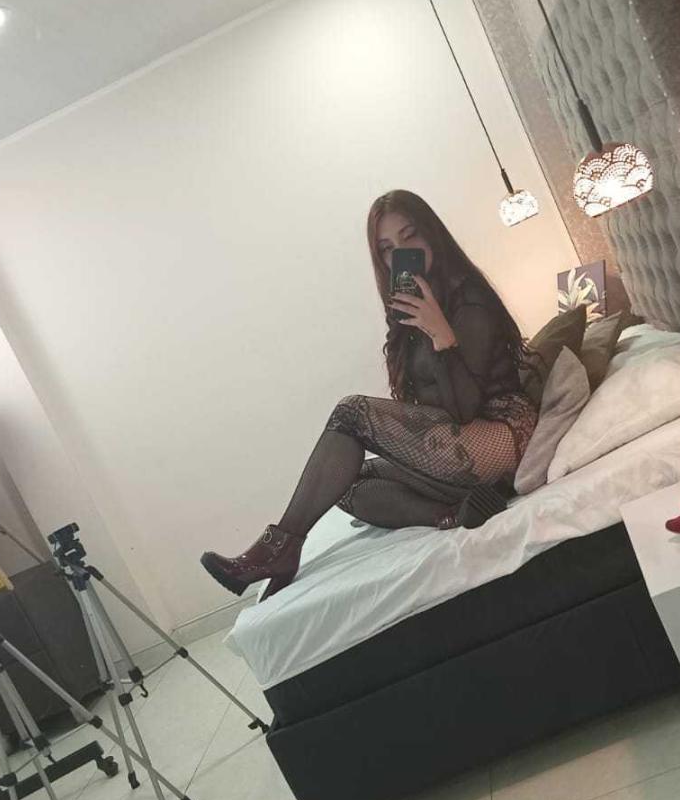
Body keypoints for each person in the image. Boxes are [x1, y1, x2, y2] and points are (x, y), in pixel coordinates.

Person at [201, 190, 537, 598]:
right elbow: (433, 407)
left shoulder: (469, 298)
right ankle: (451, 512)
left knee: (351, 413)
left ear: (432, 233)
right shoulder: (411, 305)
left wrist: (442, 335)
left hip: (500, 434)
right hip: (459, 442)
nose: (403, 253)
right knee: (343, 480)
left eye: (410, 236)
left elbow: (464, 410)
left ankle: (279, 548)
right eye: (388, 248)